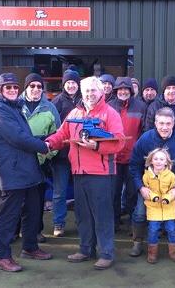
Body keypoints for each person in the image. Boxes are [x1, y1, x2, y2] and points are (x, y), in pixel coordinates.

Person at [46, 76, 125, 270]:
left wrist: (96, 145)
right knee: (82, 214)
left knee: (102, 215)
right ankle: (85, 249)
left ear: (102, 92)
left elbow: (119, 141)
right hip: (78, 172)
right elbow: (62, 134)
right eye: (87, 91)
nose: (90, 94)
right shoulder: (75, 113)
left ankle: (106, 253)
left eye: (93, 91)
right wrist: (48, 143)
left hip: (101, 174)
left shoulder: (110, 114)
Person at [0, 73, 53, 272]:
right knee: (9, 216)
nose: (12, 90)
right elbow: (18, 138)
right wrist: (45, 146)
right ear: (0, 90)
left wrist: (52, 137)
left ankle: (30, 247)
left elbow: (27, 135)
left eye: (15, 87)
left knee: (33, 211)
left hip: (29, 170)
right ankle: (3, 256)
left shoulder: (15, 109)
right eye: (7, 87)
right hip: (13, 172)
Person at [129, 107, 175, 258]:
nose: (164, 127)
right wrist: (140, 187)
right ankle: (137, 242)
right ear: (155, 123)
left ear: (173, 123)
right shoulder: (145, 139)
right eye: (161, 123)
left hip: (172, 186)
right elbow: (134, 165)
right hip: (149, 185)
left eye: (168, 124)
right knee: (139, 213)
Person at [20, 73, 61, 242]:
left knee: (37, 199)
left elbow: (58, 135)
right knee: (17, 199)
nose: (36, 89)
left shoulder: (49, 107)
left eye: (39, 86)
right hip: (19, 160)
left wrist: (47, 154)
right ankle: (16, 231)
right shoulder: (16, 104)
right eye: (32, 86)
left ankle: (36, 231)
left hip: (40, 161)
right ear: (26, 87)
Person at [108, 77, 147, 229]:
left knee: (132, 192)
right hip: (114, 158)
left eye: (126, 89)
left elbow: (145, 130)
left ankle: (133, 223)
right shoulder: (109, 106)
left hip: (133, 158)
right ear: (116, 91)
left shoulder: (141, 107)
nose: (123, 92)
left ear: (131, 91)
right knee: (114, 192)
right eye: (120, 89)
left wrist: (139, 150)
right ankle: (114, 221)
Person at [50, 69, 81, 237]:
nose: (71, 85)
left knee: (80, 191)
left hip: (80, 154)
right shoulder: (56, 102)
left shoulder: (84, 102)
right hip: (61, 156)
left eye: (74, 83)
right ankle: (58, 223)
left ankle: (81, 222)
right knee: (59, 191)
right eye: (68, 83)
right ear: (64, 84)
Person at [142, 148, 175, 264]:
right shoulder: (146, 176)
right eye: (155, 159)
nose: (158, 161)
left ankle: (174, 252)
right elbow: (146, 190)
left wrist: (167, 198)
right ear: (151, 161)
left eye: (161, 159)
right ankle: (152, 253)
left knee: (171, 230)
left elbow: (173, 191)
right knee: (153, 230)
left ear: (166, 162)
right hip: (153, 208)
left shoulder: (171, 176)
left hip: (169, 208)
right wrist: (153, 196)